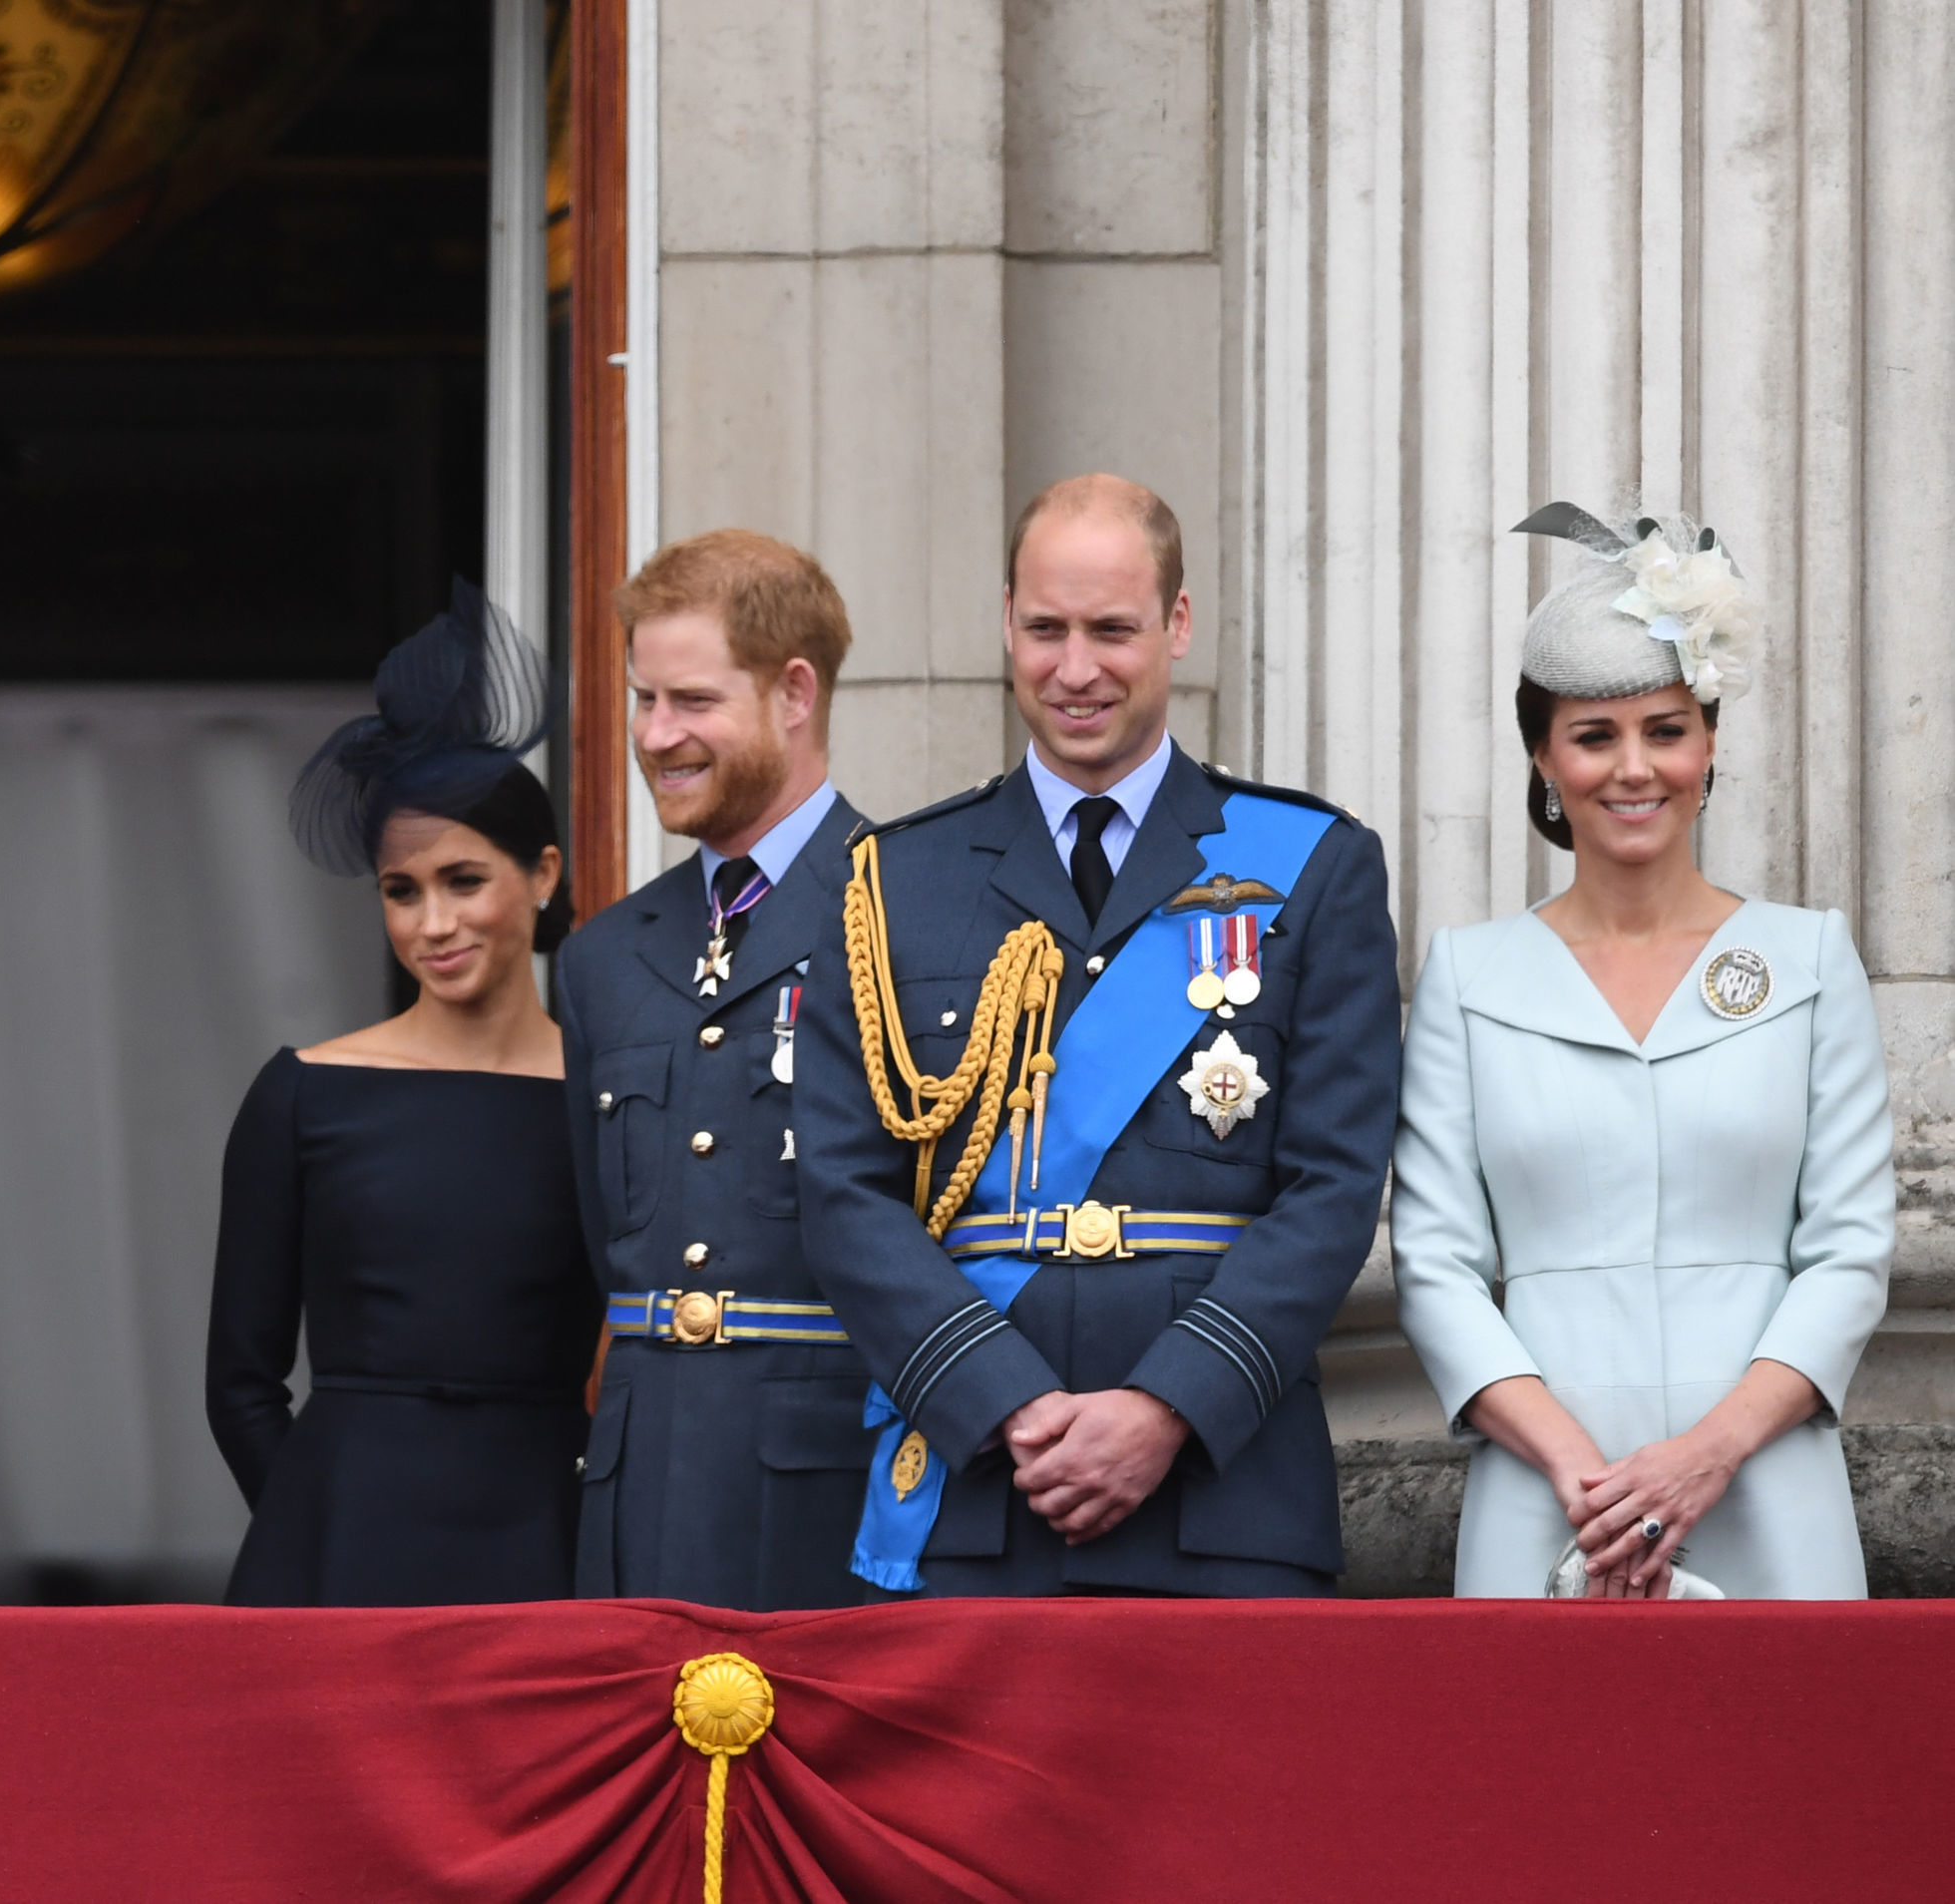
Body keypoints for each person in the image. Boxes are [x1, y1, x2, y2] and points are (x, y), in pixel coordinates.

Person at [797, 475, 1399, 1599]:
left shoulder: (1308, 865)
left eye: (1111, 629)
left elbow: (1330, 1188)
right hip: (981, 1489)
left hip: (1222, 1495)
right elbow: (842, 1191)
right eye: (1045, 629)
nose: (1075, 670)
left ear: (1175, 624)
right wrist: (1002, 1401)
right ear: (1006, 623)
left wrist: (1165, 1405)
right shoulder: (892, 882)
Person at [1392, 504, 1889, 1600]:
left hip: (1765, 1485)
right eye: (1592, 733)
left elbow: (1848, 1251)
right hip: (1546, 1495)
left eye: (1663, 729)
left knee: (1784, 1771)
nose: (1633, 768)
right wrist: (1586, 1475)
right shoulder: (1467, 978)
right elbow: (1433, 1265)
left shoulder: (1806, 959)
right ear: (1541, 755)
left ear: (1707, 743)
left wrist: (1704, 1453)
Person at [206, 585, 597, 1607]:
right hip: (337, 1559)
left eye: (463, 879)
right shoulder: (304, 1093)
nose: (432, 922)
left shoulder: (608, 1098)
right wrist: (315, 1523)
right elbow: (239, 1384)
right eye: (401, 889)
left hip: (544, 1554)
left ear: (542, 874)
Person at [558, 530, 873, 1610]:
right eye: (642, 700)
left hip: (831, 1494)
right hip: (637, 1490)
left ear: (793, 692)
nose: (654, 735)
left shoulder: (914, 914)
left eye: (688, 700)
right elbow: (599, 1236)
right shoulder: (602, 956)